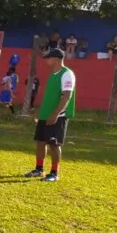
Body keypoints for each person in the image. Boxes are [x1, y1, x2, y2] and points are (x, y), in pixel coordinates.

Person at [24, 48, 76, 182]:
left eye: (49, 57)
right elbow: (50, 97)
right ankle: (39, 169)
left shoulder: (67, 74)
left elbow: (67, 96)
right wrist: (40, 111)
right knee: (40, 142)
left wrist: (55, 114)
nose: (47, 60)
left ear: (57, 59)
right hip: (45, 114)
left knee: (54, 143)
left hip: (58, 115)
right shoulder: (53, 75)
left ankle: (54, 173)